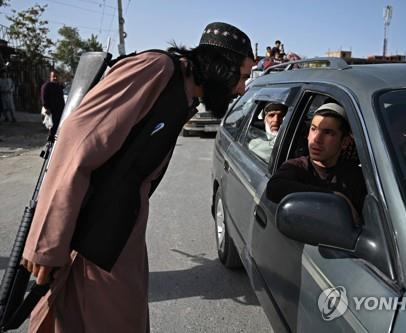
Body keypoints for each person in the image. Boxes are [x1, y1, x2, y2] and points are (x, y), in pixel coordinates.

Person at [20, 22, 254, 333]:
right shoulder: (156, 70)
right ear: (220, 67)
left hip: (119, 234)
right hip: (90, 235)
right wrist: (47, 241)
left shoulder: (184, 94)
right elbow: (78, 143)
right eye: (242, 76)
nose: (241, 88)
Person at [266, 102, 367, 218]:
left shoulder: (355, 176)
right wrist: (335, 197)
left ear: (344, 142)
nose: (317, 139)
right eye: (313, 129)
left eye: (328, 133)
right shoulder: (297, 167)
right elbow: (274, 188)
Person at [41, 70, 66, 139]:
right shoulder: (46, 86)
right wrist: (47, 108)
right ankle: (50, 142)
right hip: (51, 111)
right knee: (52, 127)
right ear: (50, 77)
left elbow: (61, 98)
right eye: (53, 76)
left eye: (56, 76)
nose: (55, 78)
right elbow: (44, 98)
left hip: (60, 110)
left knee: (59, 127)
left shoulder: (59, 86)